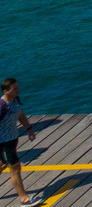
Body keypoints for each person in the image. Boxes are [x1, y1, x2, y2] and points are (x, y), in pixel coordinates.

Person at [0, 78, 43, 207]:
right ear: (5, 91)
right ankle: (24, 199)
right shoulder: (1, 106)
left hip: (12, 140)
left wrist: (28, 129)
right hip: (3, 143)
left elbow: (20, 115)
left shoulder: (15, 101)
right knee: (15, 167)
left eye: (17, 88)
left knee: (2, 164)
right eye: (14, 89)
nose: (18, 90)